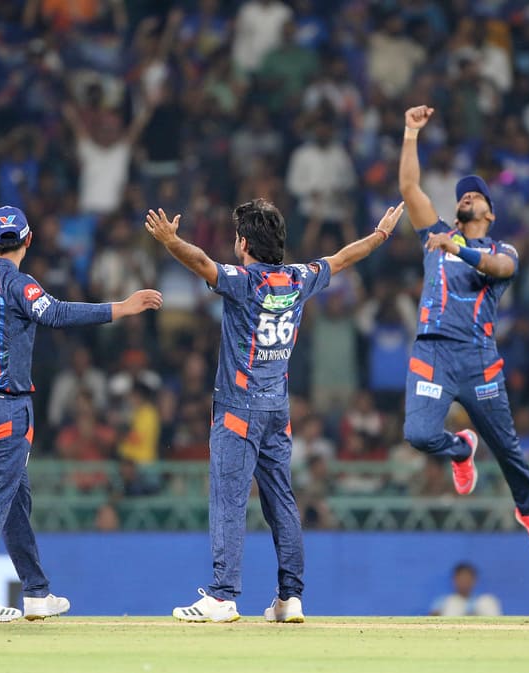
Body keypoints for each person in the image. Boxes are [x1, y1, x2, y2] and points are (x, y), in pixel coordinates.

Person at [145, 199, 405, 624]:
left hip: (237, 410)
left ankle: (223, 596)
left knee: (228, 499)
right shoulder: (298, 278)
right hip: (276, 409)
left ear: (244, 242)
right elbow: (342, 258)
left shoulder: (243, 281)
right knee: (281, 500)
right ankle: (290, 598)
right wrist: (379, 236)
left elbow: (200, 262)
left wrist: (171, 241)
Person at [0, 206, 162, 622]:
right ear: (29, 240)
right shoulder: (18, 284)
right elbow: (54, 313)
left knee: (15, 498)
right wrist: (119, 308)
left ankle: (35, 592)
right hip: (5, 407)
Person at [398, 105, 529, 554]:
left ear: (489, 213)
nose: (467, 197)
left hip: (478, 358)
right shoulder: (436, 234)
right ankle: (460, 451)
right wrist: (411, 133)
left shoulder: (501, 248)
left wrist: (458, 247)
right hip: (432, 351)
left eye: (476, 196)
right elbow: (410, 187)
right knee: (420, 435)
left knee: (507, 448)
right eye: (463, 196)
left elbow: (497, 266)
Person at [429, 562, 502, 617]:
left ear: (474, 580)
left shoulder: (484, 601)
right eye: (461, 579)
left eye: (468, 579)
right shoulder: (442, 602)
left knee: (487, 602)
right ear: (454, 580)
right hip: (451, 634)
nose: (464, 583)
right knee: (454, 602)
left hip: (483, 634)